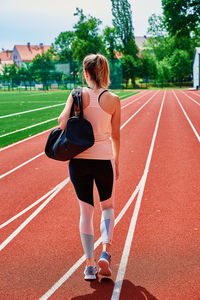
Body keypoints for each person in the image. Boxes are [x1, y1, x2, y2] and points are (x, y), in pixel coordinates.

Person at [58, 53, 121, 280]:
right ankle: (106, 252)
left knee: (86, 211)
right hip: (104, 160)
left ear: (86, 73)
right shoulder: (113, 99)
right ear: (104, 72)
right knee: (107, 207)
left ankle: (90, 265)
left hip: (79, 162)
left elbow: (62, 122)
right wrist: (117, 161)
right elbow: (116, 135)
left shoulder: (76, 95)